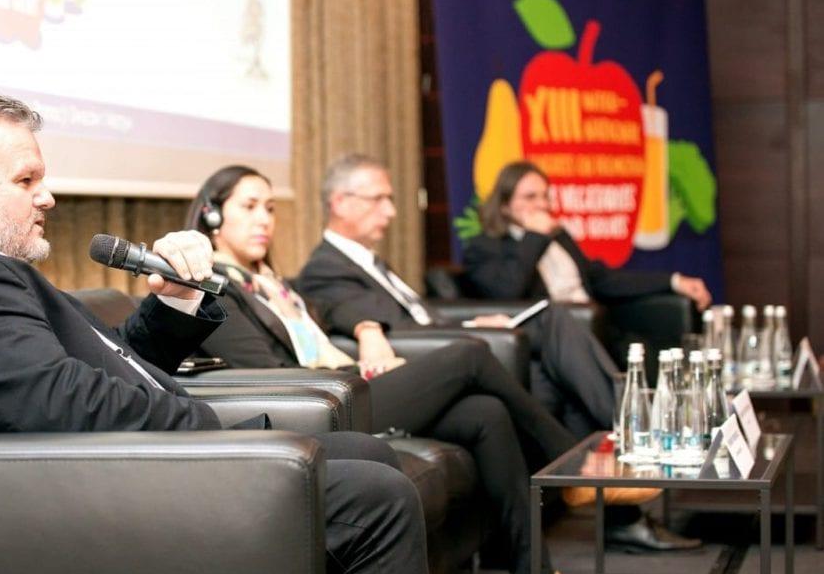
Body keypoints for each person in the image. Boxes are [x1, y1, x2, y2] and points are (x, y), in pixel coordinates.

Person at [0, 94, 445, 574]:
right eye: (27, 180)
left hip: (132, 464)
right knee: (377, 497)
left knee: (368, 453)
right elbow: (66, 407)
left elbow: (116, 362)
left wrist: (177, 299)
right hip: (101, 498)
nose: (48, 197)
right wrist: (215, 433)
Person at [186, 165, 662, 574]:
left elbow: (330, 308)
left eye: (270, 208)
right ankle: (574, 467)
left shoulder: (272, 283)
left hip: (349, 387)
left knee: (486, 412)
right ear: (212, 216)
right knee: (470, 355)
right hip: (321, 410)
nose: (264, 220)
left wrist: (368, 327)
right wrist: (353, 372)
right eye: (249, 207)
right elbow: (270, 376)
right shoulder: (214, 290)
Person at [296, 154, 700, 553]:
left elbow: (419, 318)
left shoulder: (371, 262)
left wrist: (473, 323)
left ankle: (615, 490)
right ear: (340, 203)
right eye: (379, 199)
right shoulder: (326, 267)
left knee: (551, 356)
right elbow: (375, 321)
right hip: (425, 367)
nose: (391, 211)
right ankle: (627, 434)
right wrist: (374, 329)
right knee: (548, 332)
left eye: (390, 199)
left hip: (455, 344)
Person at [463, 159, 712, 311]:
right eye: (530, 197)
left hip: (593, 318)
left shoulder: (558, 236)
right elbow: (507, 292)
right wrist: (534, 237)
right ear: (505, 205)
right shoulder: (485, 247)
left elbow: (601, 279)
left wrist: (673, 281)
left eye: (545, 196)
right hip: (554, 332)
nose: (542, 205)